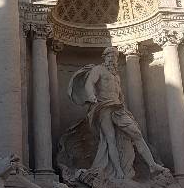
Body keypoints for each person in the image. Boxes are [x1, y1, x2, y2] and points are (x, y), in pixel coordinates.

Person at [69, 47, 167, 181]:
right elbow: (89, 83)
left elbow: (120, 95)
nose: (112, 59)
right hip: (104, 106)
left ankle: (152, 165)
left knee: (136, 133)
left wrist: (124, 107)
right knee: (110, 140)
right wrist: (91, 96)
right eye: (110, 56)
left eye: (114, 57)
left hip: (118, 108)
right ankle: (118, 171)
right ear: (105, 57)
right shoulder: (98, 69)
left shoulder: (116, 75)